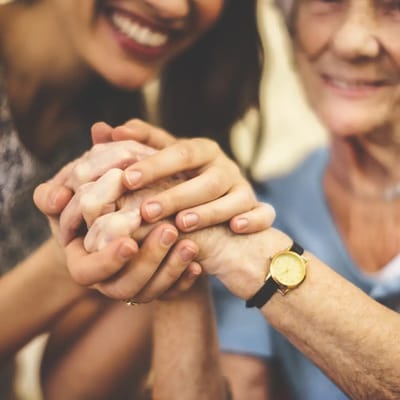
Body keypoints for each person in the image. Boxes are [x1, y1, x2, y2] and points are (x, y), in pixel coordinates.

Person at [35, 0, 400, 398]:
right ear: (289, 23)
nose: (351, 43)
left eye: (394, 9)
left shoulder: (253, 230)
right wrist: (178, 242)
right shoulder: (266, 207)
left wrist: (251, 255)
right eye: (325, 3)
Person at [0, 0, 273, 398]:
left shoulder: (117, 130)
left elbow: (73, 390)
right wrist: (66, 258)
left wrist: (180, 244)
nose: (172, 6)